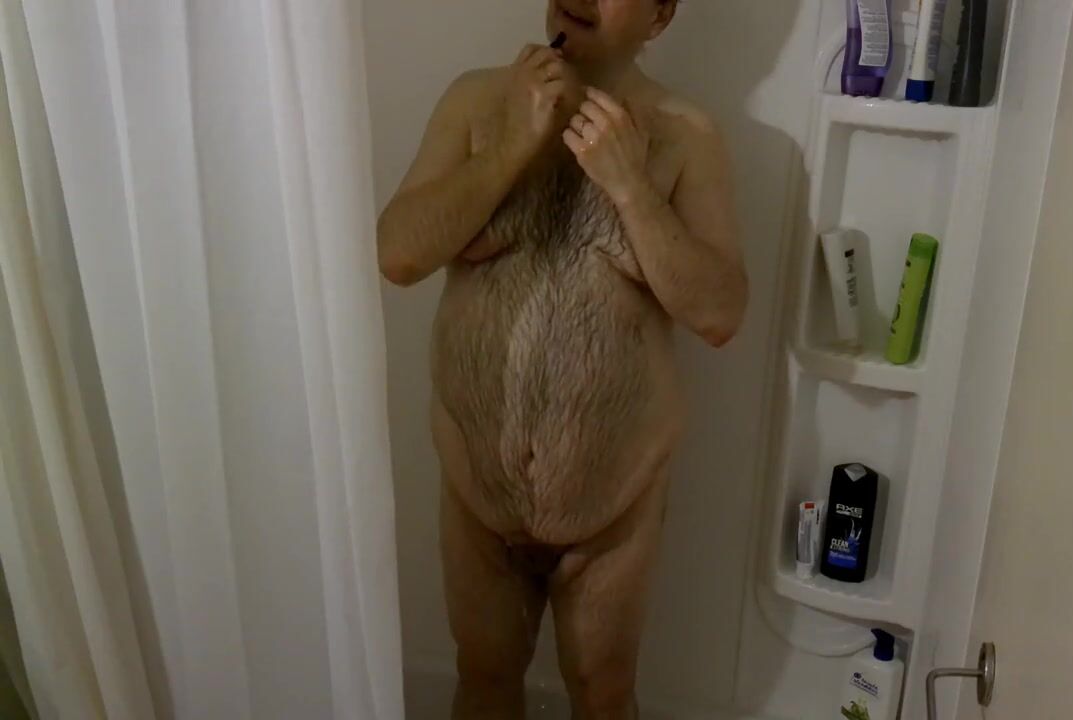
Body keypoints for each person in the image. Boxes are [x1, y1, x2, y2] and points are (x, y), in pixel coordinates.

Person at [377, 1, 748, 717]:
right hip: (478, 499)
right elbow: (398, 254)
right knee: (483, 676)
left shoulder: (685, 135)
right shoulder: (475, 102)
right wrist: (509, 147)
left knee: (603, 693)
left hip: (612, 515)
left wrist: (630, 187)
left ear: (660, 15)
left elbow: (719, 313)